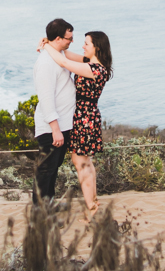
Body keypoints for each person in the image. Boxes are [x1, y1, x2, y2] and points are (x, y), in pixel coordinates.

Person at [40, 31, 112, 220]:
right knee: (84, 162)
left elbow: (63, 63)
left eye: (86, 43)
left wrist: (46, 46)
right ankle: (93, 203)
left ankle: (93, 207)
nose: (83, 46)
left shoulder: (96, 69)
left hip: (85, 117)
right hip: (84, 116)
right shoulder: (89, 62)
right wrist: (51, 43)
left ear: (96, 47)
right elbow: (64, 54)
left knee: (81, 162)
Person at [32, 18, 77, 203]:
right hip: (51, 128)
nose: (71, 41)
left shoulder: (59, 55)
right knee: (45, 172)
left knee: (52, 170)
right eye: (69, 38)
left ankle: (47, 208)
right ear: (58, 38)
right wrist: (55, 130)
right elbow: (46, 99)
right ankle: (40, 213)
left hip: (62, 125)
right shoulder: (45, 63)